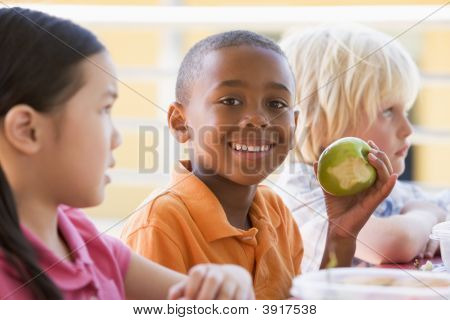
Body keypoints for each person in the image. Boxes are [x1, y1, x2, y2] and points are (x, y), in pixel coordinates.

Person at [0, 7, 254, 300]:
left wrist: (227, 281)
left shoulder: (76, 234)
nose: (117, 138)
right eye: (104, 109)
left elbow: (186, 301)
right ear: (27, 130)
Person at [121, 30, 396, 299]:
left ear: (294, 126)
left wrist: (341, 235)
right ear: (180, 123)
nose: (258, 118)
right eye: (230, 100)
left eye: (276, 104)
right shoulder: (160, 224)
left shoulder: (275, 212)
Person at [275, 25, 448, 272]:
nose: (408, 129)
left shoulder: (387, 186)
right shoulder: (301, 192)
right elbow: (392, 243)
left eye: (406, 111)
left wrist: (434, 215)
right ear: (324, 124)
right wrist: (427, 216)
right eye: (388, 111)